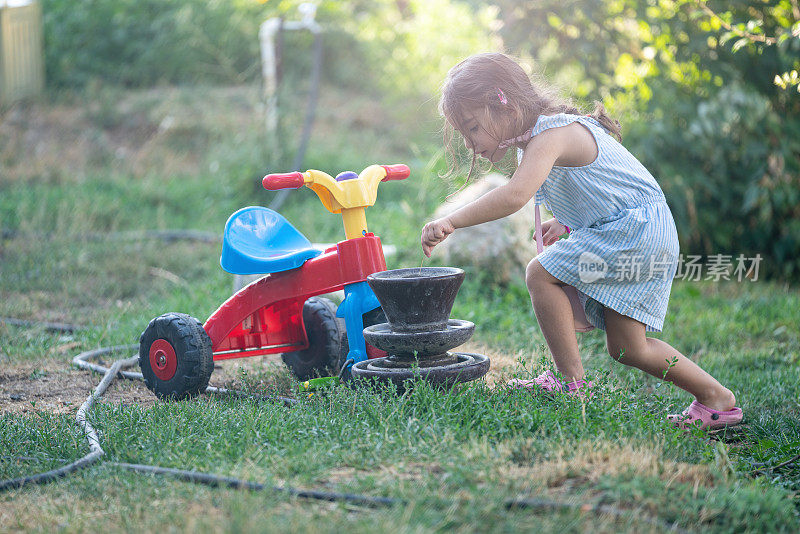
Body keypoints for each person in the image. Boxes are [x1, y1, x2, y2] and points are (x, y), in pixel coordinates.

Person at [420, 52, 742, 430]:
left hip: (633, 234)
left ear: (500, 101)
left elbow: (514, 195)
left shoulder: (552, 132)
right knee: (627, 348)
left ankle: (568, 383)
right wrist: (567, 220)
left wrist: (451, 221)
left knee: (540, 273)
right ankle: (718, 400)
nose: (471, 144)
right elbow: (606, 186)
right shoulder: (542, 137)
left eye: (473, 128)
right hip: (641, 231)